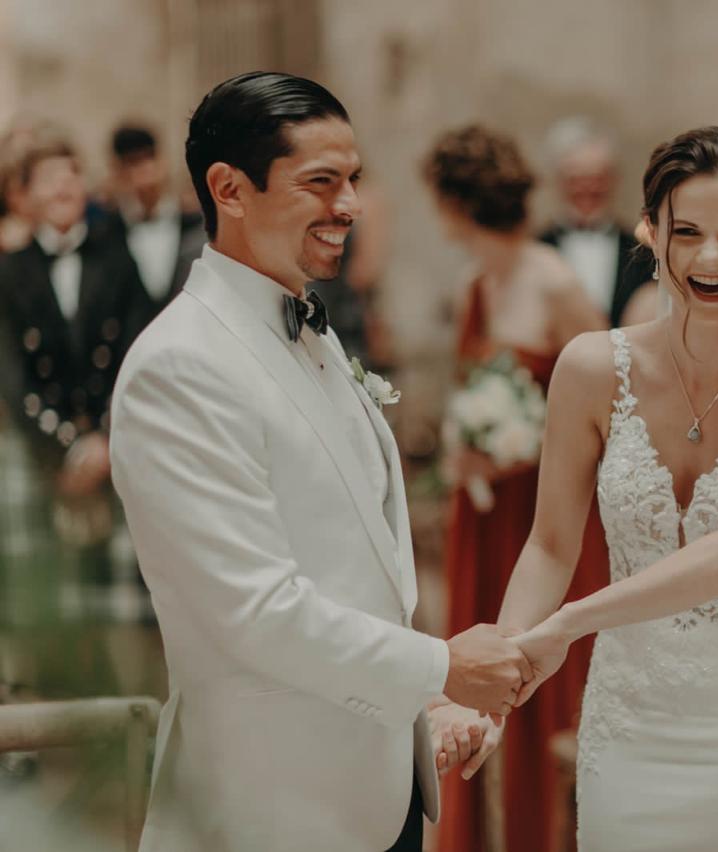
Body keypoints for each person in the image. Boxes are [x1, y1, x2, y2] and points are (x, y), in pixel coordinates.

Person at [108, 72, 530, 852]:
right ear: (229, 189)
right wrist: (440, 666)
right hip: (272, 808)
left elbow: (356, 564)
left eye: (355, 180)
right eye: (321, 182)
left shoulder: (316, 333)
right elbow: (253, 613)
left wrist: (421, 707)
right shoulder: (178, 366)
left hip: (378, 792)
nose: (351, 207)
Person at [481, 126, 718, 851]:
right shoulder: (591, 368)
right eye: (686, 231)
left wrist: (568, 625)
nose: (710, 257)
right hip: (633, 731)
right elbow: (550, 545)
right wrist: (500, 676)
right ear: (650, 231)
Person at [423, 124, 609, 852]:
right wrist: (464, 448)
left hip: (544, 509)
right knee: (480, 663)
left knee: (536, 668)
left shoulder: (556, 282)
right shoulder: (475, 286)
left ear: (458, 203)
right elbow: (466, 388)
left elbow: (607, 396)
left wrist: (521, 449)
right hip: (484, 512)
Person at [0, 123, 154, 630]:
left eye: (71, 175)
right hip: (42, 454)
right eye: (48, 178)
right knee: (46, 619)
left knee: (124, 619)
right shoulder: (10, 271)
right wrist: (65, 447)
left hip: (114, 449)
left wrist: (104, 441)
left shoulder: (118, 258)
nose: (63, 187)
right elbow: (13, 377)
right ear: (24, 195)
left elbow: (140, 351)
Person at [538, 116, 653, 327]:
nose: (588, 188)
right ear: (558, 181)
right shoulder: (536, 248)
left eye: (598, 178)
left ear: (615, 180)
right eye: (576, 179)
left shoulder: (644, 253)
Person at [103, 123, 206, 309]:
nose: (143, 172)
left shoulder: (195, 224)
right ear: (118, 173)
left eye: (148, 159)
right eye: (132, 163)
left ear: (161, 162)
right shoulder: (108, 232)